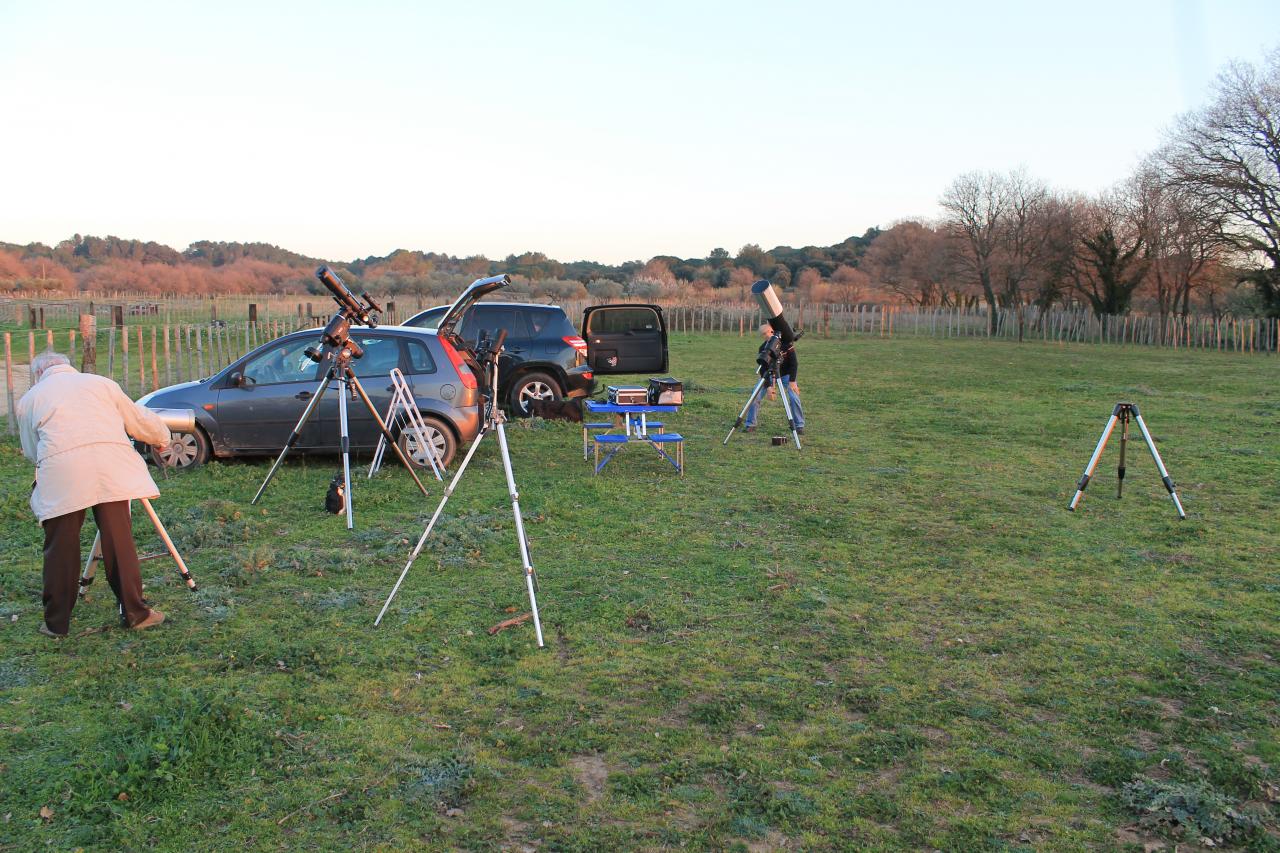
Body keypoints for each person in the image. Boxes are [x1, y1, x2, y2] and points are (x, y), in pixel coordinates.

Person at [16, 351, 172, 638]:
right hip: (112, 465)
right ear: (69, 366)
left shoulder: (31, 399)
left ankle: (56, 623)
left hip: (64, 471)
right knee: (118, 541)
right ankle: (137, 614)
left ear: (39, 374)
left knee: (60, 546)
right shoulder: (102, 383)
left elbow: (30, 449)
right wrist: (162, 438)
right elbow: (138, 420)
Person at [744, 322, 805, 434]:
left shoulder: (786, 344)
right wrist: (768, 386)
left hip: (786, 375)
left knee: (794, 397)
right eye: (762, 334)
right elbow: (763, 369)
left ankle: (799, 425)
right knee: (755, 396)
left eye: (766, 332)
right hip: (769, 374)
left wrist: (792, 382)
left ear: (772, 331)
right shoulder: (763, 348)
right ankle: (750, 424)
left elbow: (794, 363)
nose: (765, 336)